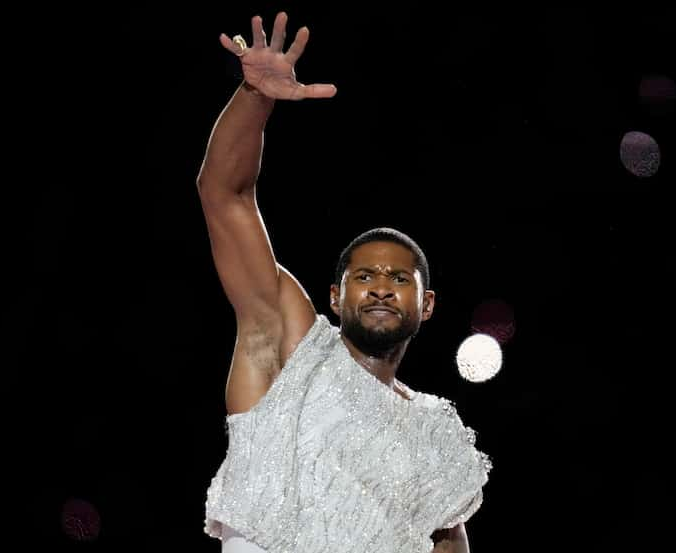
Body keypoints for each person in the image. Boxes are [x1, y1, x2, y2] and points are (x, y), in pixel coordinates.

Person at [196, 12, 491, 553]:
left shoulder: (436, 430)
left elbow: (450, 543)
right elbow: (226, 196)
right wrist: (253, 96)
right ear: (335, 297)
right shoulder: (287, 346)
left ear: (426, 305)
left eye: (399, 278)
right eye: (364, 276)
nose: (380, 286)